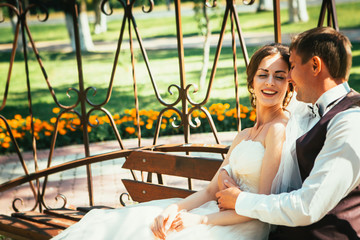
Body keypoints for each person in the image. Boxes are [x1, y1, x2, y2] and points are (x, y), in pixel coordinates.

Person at [51, 43, 294, 240]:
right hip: (212, 213)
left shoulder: (278, 131)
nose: (270, 82)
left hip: (242, 225)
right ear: (252, 81)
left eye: (279, 77)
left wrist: (199, 219)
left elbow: (263, 205)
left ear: (289, 85)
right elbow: (210, 190)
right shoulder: (244, 134)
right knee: (134, 225)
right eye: (263, 75)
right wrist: (175, 209)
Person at [216, 26, 360, 239]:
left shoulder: (349, 122)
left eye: (291, 67)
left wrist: (240, 200)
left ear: (314, 65)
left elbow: (308, 206)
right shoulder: (310, 111)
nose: (290, 78)